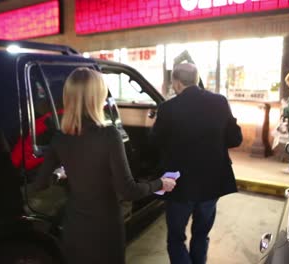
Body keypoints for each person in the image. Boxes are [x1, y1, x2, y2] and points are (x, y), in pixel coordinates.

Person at [36, 67, 177, 264]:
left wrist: (62, 172)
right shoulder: (109, 135)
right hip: (105, 229)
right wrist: (160, 183)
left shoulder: (59, 138)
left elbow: (40, 184)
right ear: (96, 97)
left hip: (74, 227)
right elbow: (128, 190)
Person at [152, 63, 242, 264]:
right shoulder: (219, 102)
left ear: (176, 82)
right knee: (201, 235)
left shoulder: (168, 108)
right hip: (212, 183)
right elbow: (235, 139)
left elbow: (155, 140)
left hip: (179, 185)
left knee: (176, 238)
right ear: (196, 79)